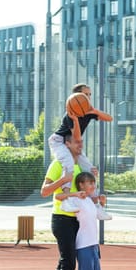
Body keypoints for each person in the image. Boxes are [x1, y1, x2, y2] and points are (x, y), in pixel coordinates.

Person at [48, 82, 113, 219]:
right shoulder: (70, 114)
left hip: (73, 142)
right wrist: (76, 120)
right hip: (60, 141)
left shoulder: (88, 112)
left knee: (90, 169)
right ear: (76, 97)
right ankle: (66, 201)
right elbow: (77, 136)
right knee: (69, 164)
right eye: (85, 94)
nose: (88, 97)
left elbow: (109, 118)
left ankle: (97, 206)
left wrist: (94, 111)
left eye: (90, 94)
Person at [59, 171, 115, 270]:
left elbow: (104, 216)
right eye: (89, 183)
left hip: (93, 245)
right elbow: (63, 205)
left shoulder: (90, 201)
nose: (93, 185)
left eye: (93, 183)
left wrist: (99, 203)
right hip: (83, 245)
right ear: (81, 185)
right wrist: (70, 193)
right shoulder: (78, 200)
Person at [41, 134, 84, 270]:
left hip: (74, 220)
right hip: (61, 219)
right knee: (68, 263)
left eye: (81, 141)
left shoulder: (78, 165)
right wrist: (63, 179)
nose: (80, 144)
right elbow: (44, 191)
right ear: (66, 144)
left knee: (64, 263)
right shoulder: (58, 163)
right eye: (76, 142)